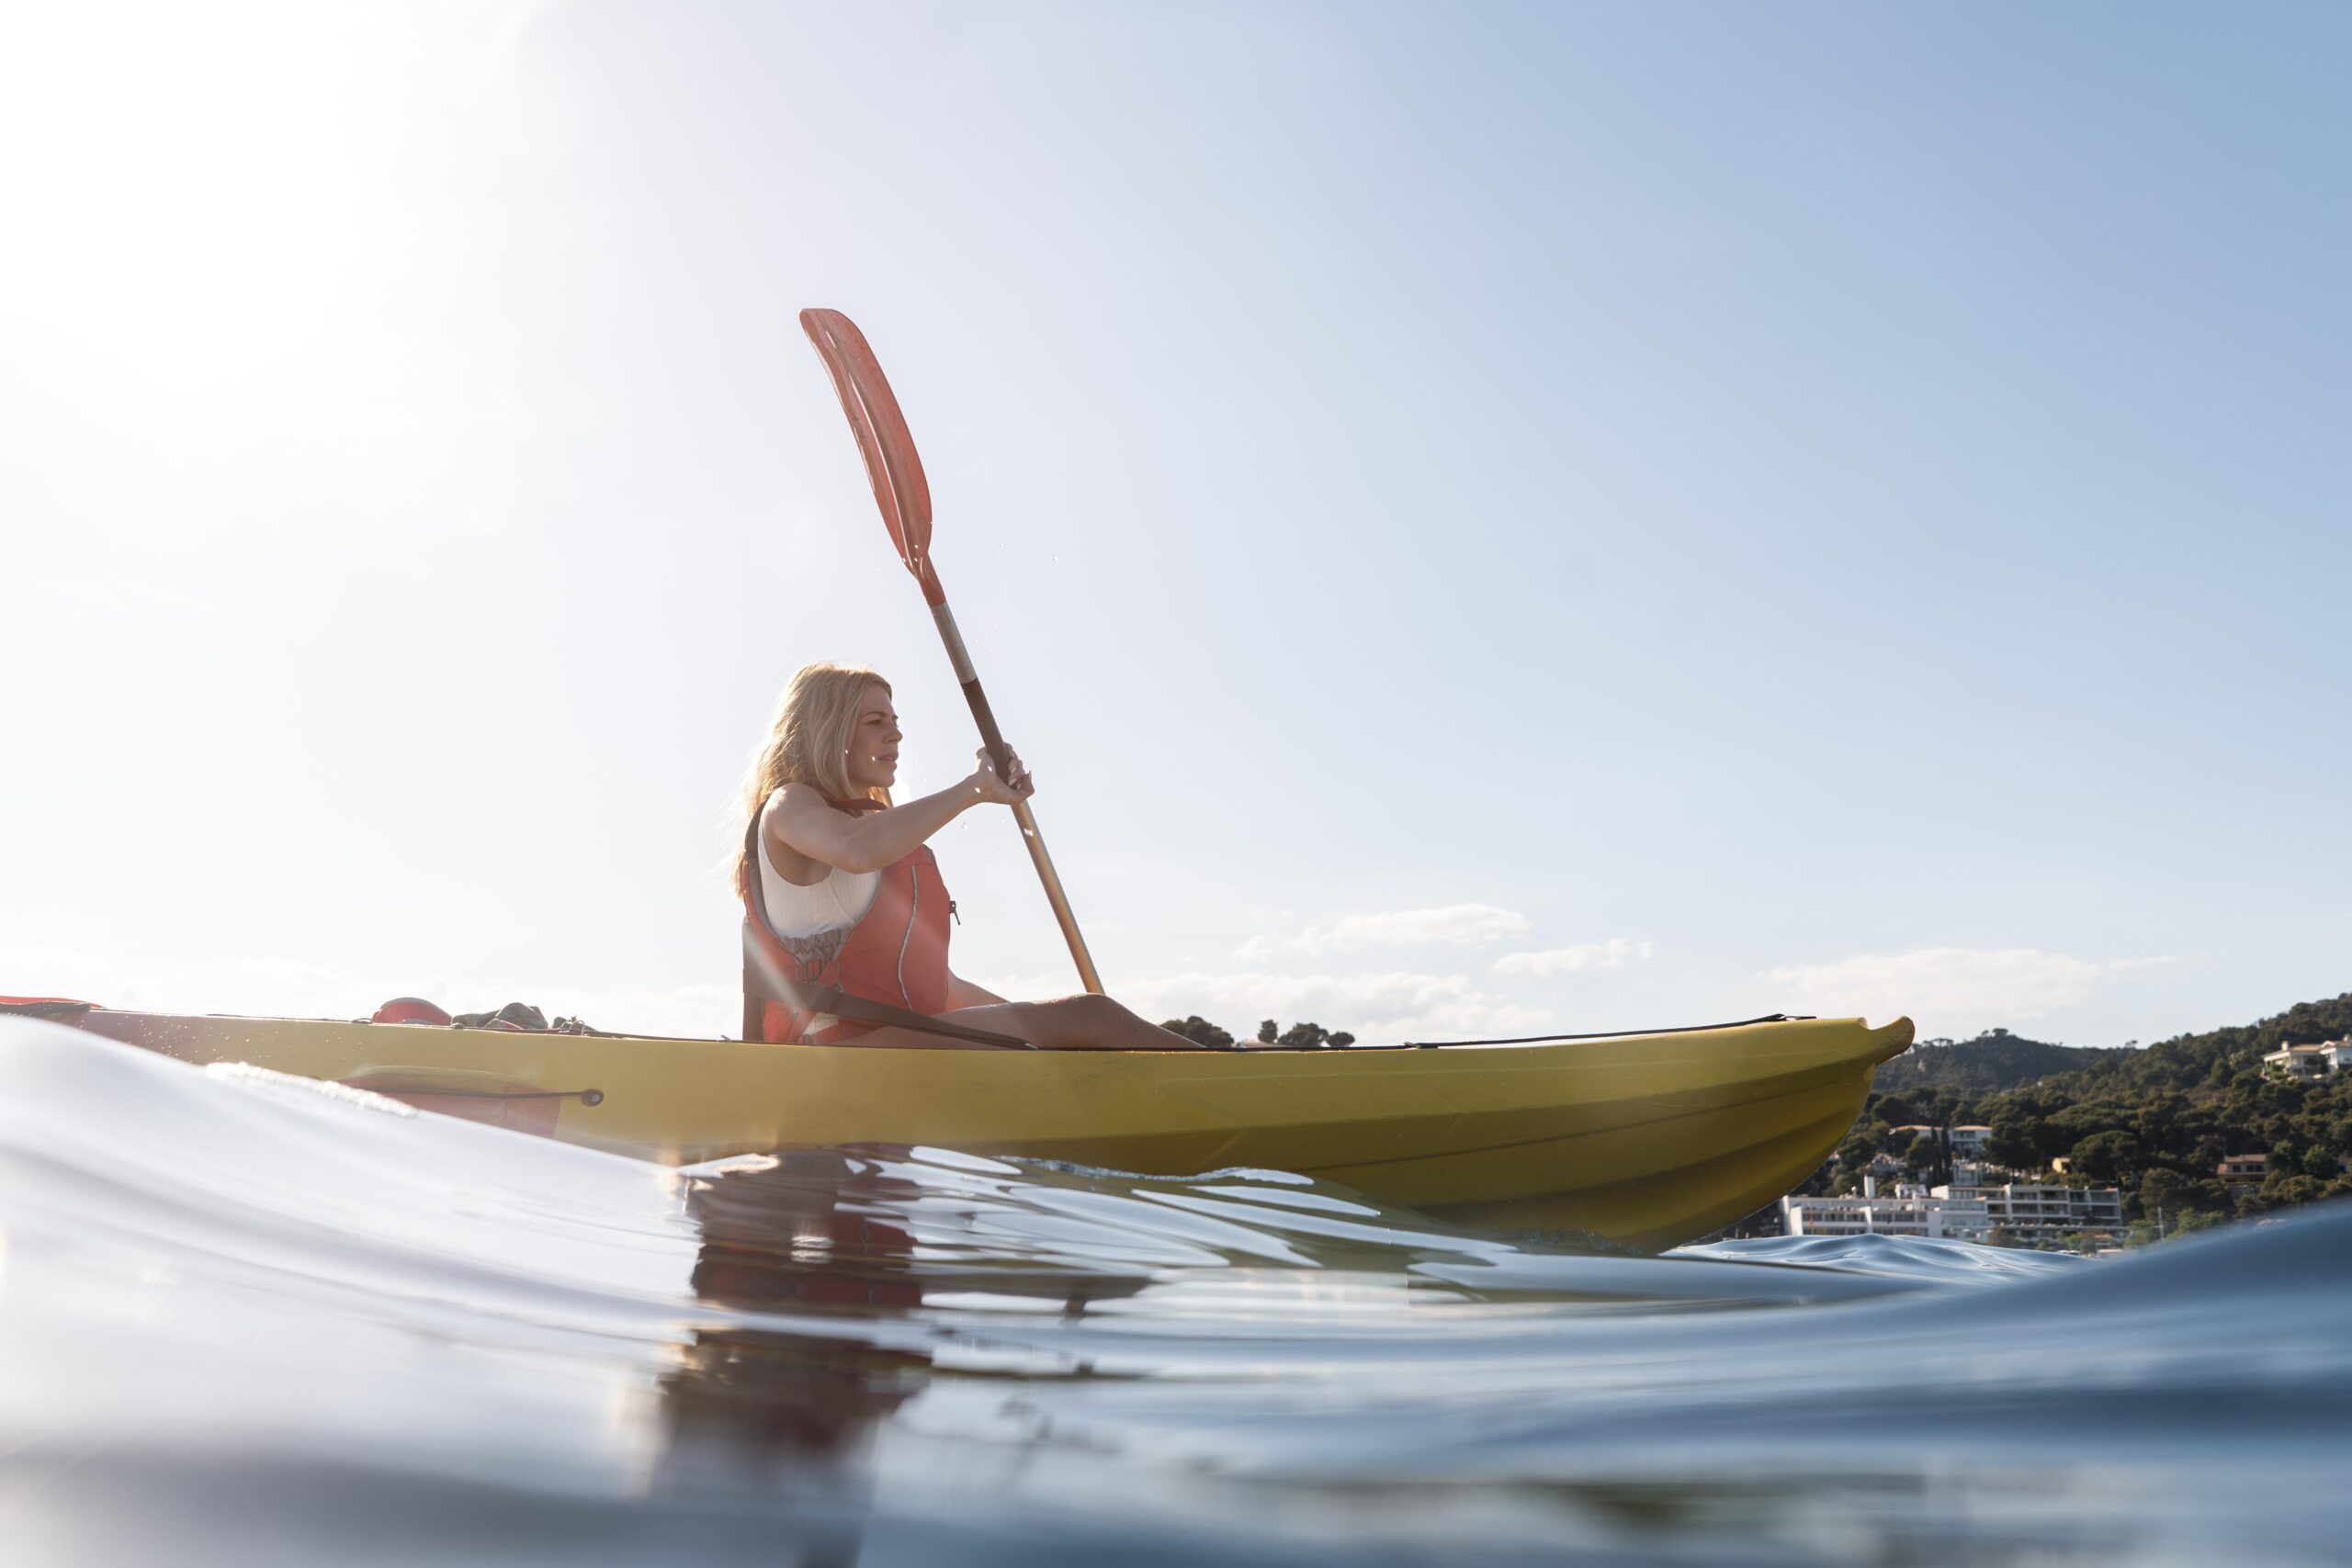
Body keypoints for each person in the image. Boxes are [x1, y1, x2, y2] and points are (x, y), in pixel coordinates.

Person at [734, 662, 1217, 1049]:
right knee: (1096, 1013)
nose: (896, 735)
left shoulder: (871, 827)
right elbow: (856, 851)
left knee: (1084, 1019)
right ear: (829, 730)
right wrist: (976, 788)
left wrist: (1054, 1035)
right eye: (876, 723)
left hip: (890, 1044)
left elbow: (941, 986)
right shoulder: (789, 804)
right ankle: (1222, 1083)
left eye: (896, 723)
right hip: (832, 1054)